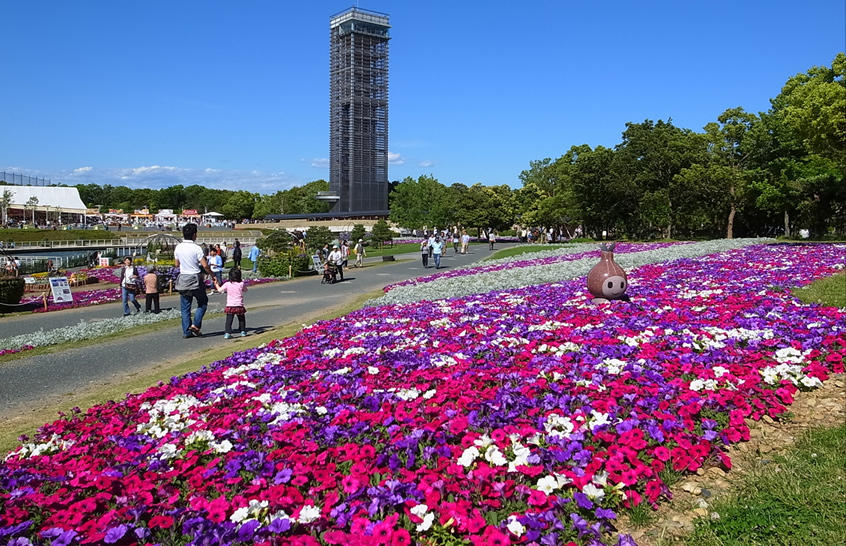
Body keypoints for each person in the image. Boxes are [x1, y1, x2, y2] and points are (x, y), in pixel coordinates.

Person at [174, 223, 212, 338]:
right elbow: (205, 265)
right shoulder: (196, 248)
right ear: (194, 234)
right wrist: (211, 274)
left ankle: (187, 331)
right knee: (203, 302)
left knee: (185, 307)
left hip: (183, 278)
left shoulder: (178, 247)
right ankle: (196, 324)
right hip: (195, 278)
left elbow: (176, 264)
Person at [213, 267, 248, 339]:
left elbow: (219, 290)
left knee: (229, 320)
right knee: (241, 319)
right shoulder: (241, 284)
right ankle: (243, 331)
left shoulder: (227, 284)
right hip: (239, 304)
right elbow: (245, 290)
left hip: (230, 305)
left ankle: (227, 332)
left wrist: (216, 284)